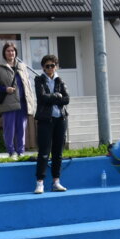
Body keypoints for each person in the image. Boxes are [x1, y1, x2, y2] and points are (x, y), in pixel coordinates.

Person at [0, 42, 36, 158]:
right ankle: (11, 152)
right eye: (8, 51)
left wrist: (31, 101)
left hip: (23, 103)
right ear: (4, 53)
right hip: (9, 103)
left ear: (16, 52)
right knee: (9, 130)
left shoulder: (22, 66)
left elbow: (28, 84)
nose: (11, 53)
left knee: (21, 129)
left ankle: (20, 152)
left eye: (12, 50)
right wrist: (5, 89)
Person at [33, 54, 70, 194]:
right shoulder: (39, 80)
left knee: (58, 153)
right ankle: (40, 183)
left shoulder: (60, 80)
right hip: (45, 120)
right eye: (47, 66)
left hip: (60, 119)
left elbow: (66, 99)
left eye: (52, 65)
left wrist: (54, 98)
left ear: (56, 66)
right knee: (44, 152)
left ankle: (56, 181)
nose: (50, 68)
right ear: (43, 67)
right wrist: (57, 96)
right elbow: (42, 98)